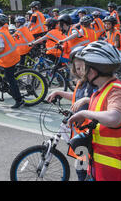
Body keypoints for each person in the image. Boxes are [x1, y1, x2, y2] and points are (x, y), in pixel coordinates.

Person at [67, 41, 121, 181]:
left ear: (92, 71)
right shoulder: (102, 90)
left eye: (85, 69)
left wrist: (84, 113)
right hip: (104, 165)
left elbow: (114, 118)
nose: (83, 74)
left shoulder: (116, 91)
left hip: (119, 169)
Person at [46, 46, 97, 181]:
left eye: (82, 68)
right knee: (82, 165)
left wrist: (86, 100)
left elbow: (99, 100)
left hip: (89, 133)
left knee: (82, 167)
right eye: (77, 68)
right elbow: (75, 96)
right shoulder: (81, 83)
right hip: (80, 131)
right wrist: (58, 92)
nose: (79, 72)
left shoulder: (94, 84)